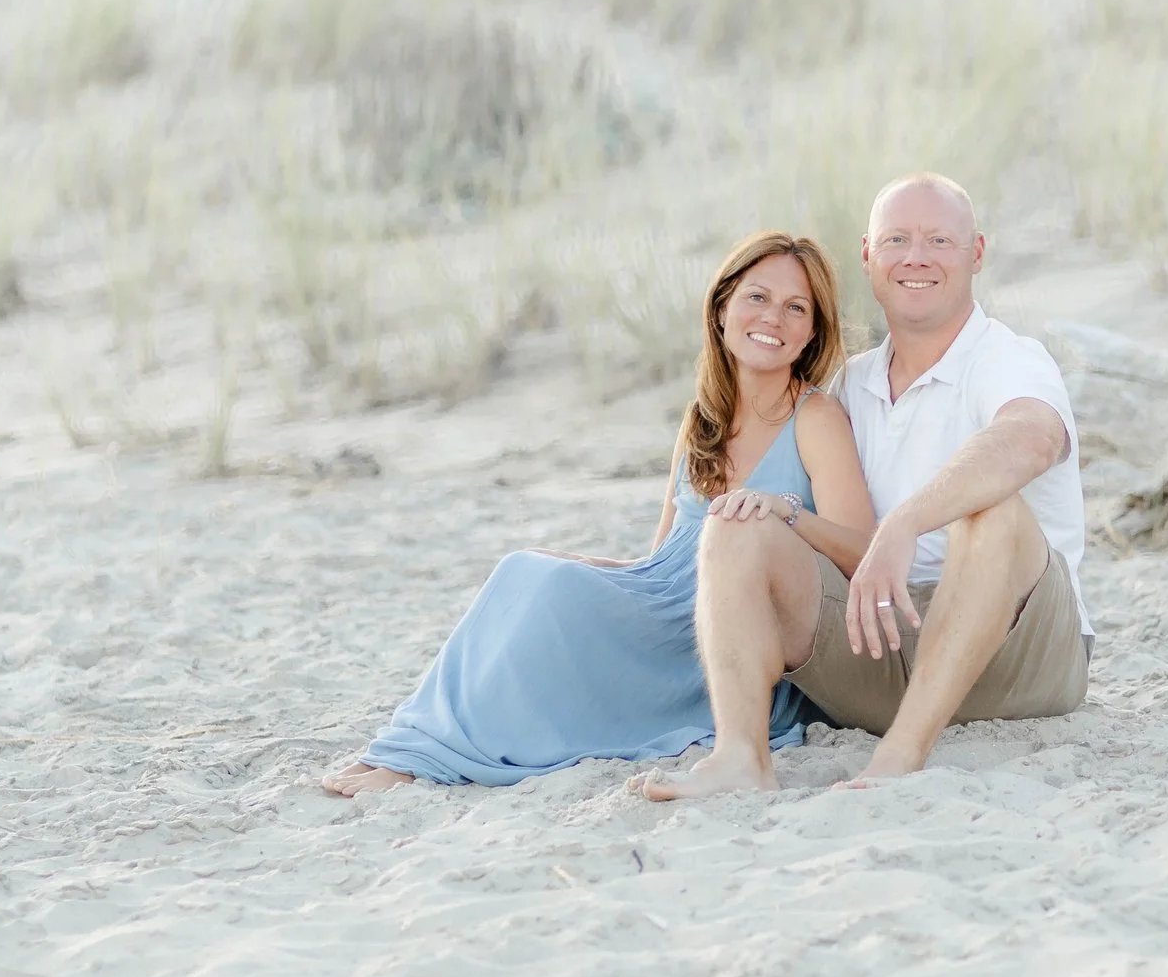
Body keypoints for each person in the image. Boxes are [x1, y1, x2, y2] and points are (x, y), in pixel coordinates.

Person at [322, 232, 878, 796]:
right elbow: (658, 561)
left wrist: (784, 512)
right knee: (524, 571)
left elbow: (864, 551)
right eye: (757, 298)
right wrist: (580, 567)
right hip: (663, 609)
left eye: (796, 308)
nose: (774, 318)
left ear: (812, 332)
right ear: (722, 308)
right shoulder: (701, 420)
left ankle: (423, 760)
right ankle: (412, 746)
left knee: (549, 585)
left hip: (734, 633)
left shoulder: (816, 417)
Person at [642, 173, 1087, 799]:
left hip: (1019, 653)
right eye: (898, 238)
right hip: (881, 642)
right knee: (736, 520)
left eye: (940, 240)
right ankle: (740, 758)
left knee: (994, 511)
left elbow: (1032, 437)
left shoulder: (1008, 358)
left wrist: (906, 522)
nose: (917, 257)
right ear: (868, 255)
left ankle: (899, 758)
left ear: (977, 253)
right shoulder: (850, 386)